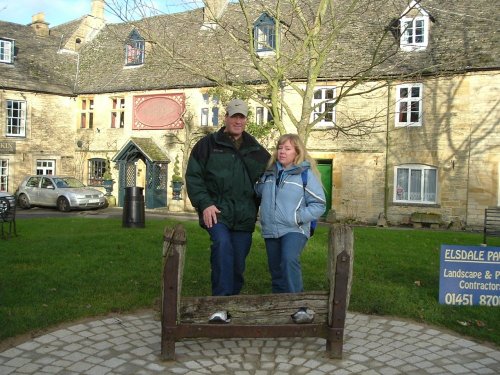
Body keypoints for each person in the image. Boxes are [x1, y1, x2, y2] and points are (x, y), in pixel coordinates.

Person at [185, 98, 270, 323]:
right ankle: (219, 305)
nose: (238, 121)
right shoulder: (207, 145)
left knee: (238, 261)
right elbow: (194, 177)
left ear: (246, 120)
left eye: (242, 117)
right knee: (222, 248)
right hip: (217, 213)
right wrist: (204, 204)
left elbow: (273, 177)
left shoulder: (257, 150)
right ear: (225, 118)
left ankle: (230, 304)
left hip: (244, 215)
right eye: (234, 116)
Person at [255, 134, 326, 323]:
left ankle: (299, 307)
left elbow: (319, 204)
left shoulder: (304, 174)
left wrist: (297, 217)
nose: (282, 151)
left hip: (295, 229)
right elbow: (259, 192)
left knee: (288, 259)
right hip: (271, 229)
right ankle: (280, 308)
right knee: (276, 269)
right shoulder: (269, 173)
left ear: (297, 152)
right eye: (280, 148)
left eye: (287, 148)